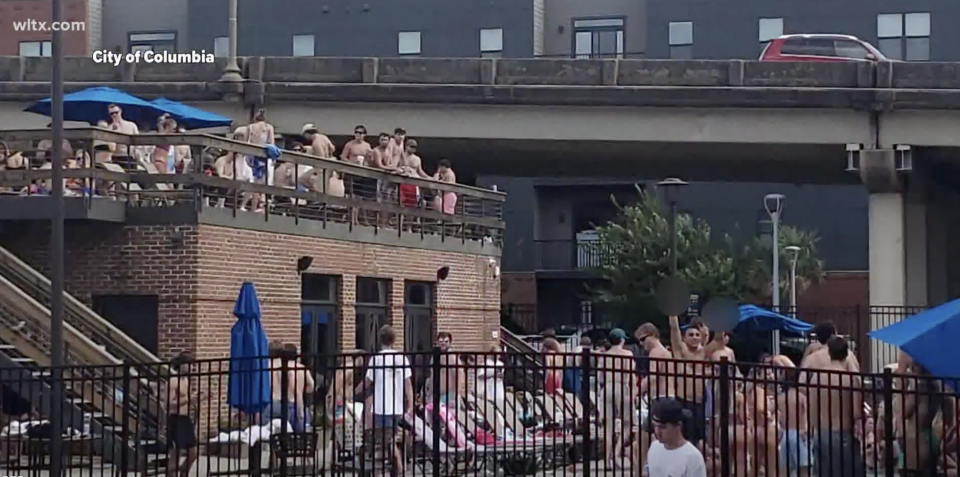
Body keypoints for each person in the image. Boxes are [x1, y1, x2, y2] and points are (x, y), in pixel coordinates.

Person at [355, 326, 412, 477]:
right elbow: (408, 384)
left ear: (380, 340)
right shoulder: (402, 358)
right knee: (390, 438)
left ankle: (397, 469)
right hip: (397, 407)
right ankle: (391, 469)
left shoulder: (377, 359)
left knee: (385, 441)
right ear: (394, 339)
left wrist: (355, 391)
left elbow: (368, 380)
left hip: (381, 407)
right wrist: (410, 405)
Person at [808, 336, 864, 477]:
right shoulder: (850, 379)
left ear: (829, 352)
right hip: (843, 434)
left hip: (821, 434)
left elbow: (812, 409)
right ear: (847, 353)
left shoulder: (817, 377)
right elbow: (857, 412)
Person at [600, 328, 636, 468]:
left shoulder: (605, 355)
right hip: (622, 386)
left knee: (608, 425)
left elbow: (600, 377)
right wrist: (632, 393)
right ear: (622, 340)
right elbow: (631, 374)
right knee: (627, 423)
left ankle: (607, 459)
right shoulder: (627, 354)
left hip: (607, 387)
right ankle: (616, 453)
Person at [165, 351, 204, 477]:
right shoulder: (173, 381)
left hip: (186, 418)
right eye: (189, 365)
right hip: (175, 419)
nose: (192, 368)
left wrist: (199, 398)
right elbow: (168, 403)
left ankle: (183, 473)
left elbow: (188, 399)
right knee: (175, 453)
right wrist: (189, 399)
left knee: (193, 452)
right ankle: (171, 473)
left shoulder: (186, 380)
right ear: (181, 365)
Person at [645, 398, 707, 477]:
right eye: (655, 426)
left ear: (678, 425)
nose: (657, 432)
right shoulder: (654, 448)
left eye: (663, 427)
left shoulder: (693, 458)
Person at [106, 104, 139, 170]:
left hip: (131, 156)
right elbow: (111, 147)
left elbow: (138, 142)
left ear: (120, 111)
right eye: (112, 114)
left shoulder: (131, 125)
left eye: (116, 112)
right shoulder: (109, 128)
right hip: (117, 157)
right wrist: (115, 130)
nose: (114, 115)